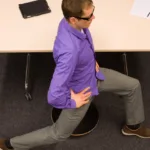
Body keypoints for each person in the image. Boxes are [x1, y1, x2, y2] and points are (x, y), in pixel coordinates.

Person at [1, 0, 150, 149]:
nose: (93, 18)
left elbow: (83, 44)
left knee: (133, 86)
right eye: (89, 16)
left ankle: (132, 127)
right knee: (58, 134)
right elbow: (54, 94)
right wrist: (73, 101)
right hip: (82, 90)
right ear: (73, 19)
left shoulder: (71, 22)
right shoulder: (69, 52)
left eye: (93, 12)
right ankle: (10, 145)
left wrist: (90, 60)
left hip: (93, 74)